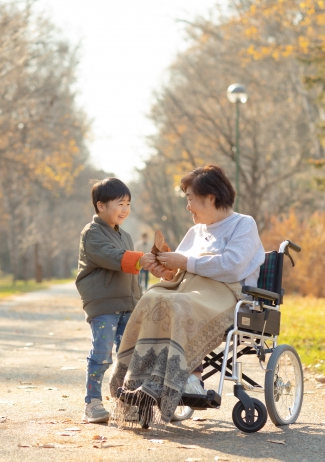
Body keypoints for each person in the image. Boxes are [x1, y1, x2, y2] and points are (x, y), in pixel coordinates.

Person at [109, 164, 265, 425]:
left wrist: (184, 263)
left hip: (225, 294)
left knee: (179, 304)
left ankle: (184, 376)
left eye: (190, 199)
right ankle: (138, 380)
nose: (188, 206)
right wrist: (167, 271)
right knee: (152, 298)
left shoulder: (243, 224)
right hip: (187, 290)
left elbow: (233, 266)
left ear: (210, 198)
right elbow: (178, 269)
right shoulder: (195, 231)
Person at [75, 178, 153, 423]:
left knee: (128, 355)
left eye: (128, 203)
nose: (125, 209)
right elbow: (113, 257)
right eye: (120, 203)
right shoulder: (92, 233)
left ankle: (126, 402)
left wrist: (138, 301)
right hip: (104, 304)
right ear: (101, 206)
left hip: (127, 304)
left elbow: (132, 275)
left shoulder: (126, 236)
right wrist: (142, 259)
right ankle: (93, 402)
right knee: (102, 352)